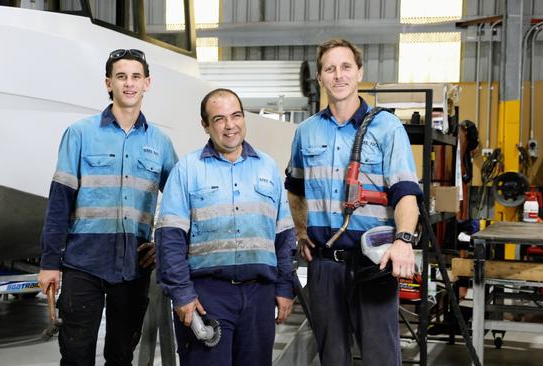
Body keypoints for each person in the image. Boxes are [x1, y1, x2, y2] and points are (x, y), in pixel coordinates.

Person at [285, 38, 421, 366]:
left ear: (359, 72)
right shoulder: (306, 132)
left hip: (373, 264)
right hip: (324, 266)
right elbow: (295, 189)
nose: (339, 75)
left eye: (346, 67)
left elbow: (406, 194)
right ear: (320, 78)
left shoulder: (387, 127)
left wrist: (403, 240)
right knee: (332, 357)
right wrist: (302, 232)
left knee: (381, 358)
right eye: (330, 69)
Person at [38, 48, 178, 366]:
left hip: (133, 266)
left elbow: (178, 204)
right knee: (75, 355)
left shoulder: (160, 143)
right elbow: (60, 201)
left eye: (135, 77)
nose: (129, 84)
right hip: (82, 264)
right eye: (121, 77)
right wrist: (50, 263)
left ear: (147, 83)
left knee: (121, 354)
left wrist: (162, 244)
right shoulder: (80, 134)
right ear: (108, 83)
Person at [155, 88, 295, 366]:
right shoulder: (187, 169)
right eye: (219, 119)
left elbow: (284, 236)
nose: (230, 126)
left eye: (236, 116)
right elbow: (170, 239)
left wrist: (285, 288)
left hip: (259, 295)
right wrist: (182, 294)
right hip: (207, 296)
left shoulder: (267, 167)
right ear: (205, 125)